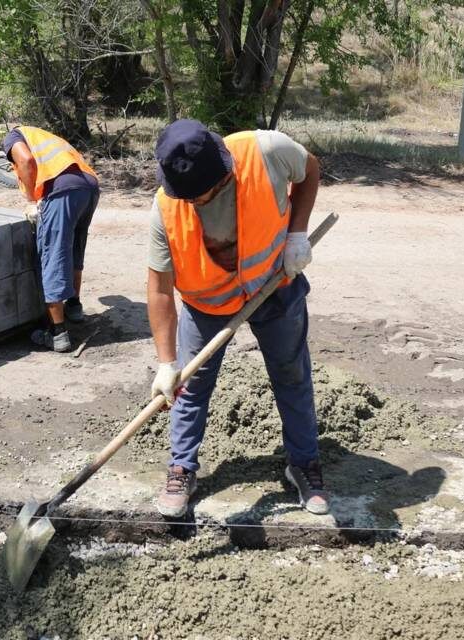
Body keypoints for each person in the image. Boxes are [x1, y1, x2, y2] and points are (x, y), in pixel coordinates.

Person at [147, 119, 328, 517]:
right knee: (188, 387)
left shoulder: (265, 151)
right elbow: (159, 289)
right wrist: (165, 363)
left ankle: (303, 465)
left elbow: (310, 169)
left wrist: (297, 234)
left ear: (223, 172)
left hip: (274, 284)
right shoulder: (166, 207)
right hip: (207, 304)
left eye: (202, 196)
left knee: (292, 374)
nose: (193, 204)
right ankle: (182, 468)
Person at [3, 126, 100, 352]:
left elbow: (26, 161)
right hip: (89, 187)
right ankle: (74, 308)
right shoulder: (45, 136)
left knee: (52, 254)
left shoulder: (13, 136)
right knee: (75, 247)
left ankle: (57, 333)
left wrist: (30, 199)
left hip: (62, 190)